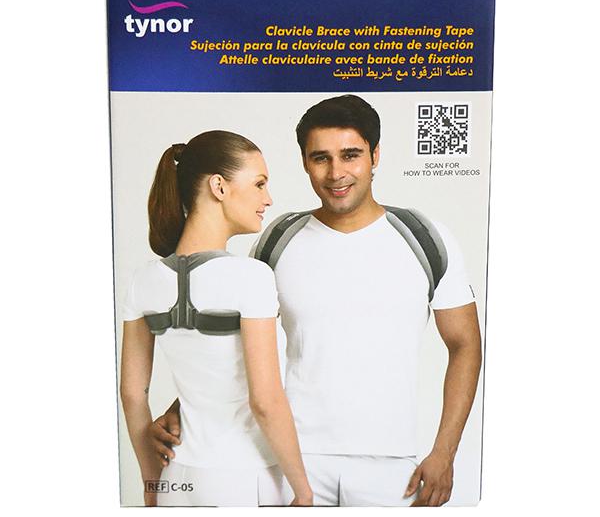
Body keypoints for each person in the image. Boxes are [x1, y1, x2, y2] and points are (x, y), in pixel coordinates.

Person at [150, 97, 482, 507]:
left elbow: (465, 344)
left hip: (392, 464)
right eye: (320, 158)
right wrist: (181, 408)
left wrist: (445, 452)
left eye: (351, 155)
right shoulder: (277, 239)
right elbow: (234, 345)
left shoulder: (425, 237)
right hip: (289, 460)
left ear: (375, 156)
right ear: (305, 163)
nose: (336, 172)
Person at [119, 130, 312, 507]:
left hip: (178, 477)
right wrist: (304, 492)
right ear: (219, 187)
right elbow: (266, 401)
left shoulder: (144, 280)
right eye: (259, 184)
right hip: (245, 479)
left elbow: (131, 394)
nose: (268, 199)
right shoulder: (250, 277)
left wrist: (152, 483)